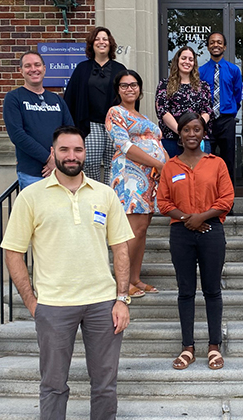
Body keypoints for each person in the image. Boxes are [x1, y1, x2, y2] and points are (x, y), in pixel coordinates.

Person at [1, 126, 134, 420]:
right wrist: (32, 302)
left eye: (78, 150)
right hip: (54, 305)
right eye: (64, 150)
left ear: (85, 153)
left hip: (102, 304)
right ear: (53, 153)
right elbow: (13, 251)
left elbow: (121, 249)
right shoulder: (31, 197)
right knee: (53, 385)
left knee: (105, 386)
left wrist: (121, 299)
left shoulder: (105, 194)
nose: (71, 156)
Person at [157, 112, 234, 371]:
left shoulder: (217, 164)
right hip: (181, 233)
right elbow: (163, 201)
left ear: (204, 133)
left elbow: (226, 199)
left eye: (197, 129)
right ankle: (187, 347)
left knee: (212, 290)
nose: (192, 134)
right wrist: (187, 219)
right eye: (187, 129)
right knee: (185, 291)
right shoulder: (170, 166)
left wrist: (201, 218)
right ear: (179, 134)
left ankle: (214, 346)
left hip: (211, 231)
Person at [106, 70, 167, 298]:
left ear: (140, 89)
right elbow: (125, 146)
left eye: (133, 85)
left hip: (150, 178)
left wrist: (167, 166)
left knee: (142, 230)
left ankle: (135, 278)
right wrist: (158, 164)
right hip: (130, 177)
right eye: (124, 85)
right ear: (118, 90)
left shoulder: (143, 118)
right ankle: (121, 283)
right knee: (132, 231)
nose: (129, 89)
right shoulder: (115, 113)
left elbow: (156, 144)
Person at [64, 26, 128, 183]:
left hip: (113, 124)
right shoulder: (82, 69)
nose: (101, 42)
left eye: (105, 39)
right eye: (97, 39)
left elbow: (129, 97)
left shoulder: (120, 70)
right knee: (90, 163)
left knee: (113, 165)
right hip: (90, 124)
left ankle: (109, 197)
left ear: (110, 43)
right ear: (92, 44)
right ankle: (93, 195)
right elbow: (70, 98)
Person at [4, 50, 75, 189]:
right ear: (21, 71)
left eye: (37, 65)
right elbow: (17, 135)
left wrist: (58, 160)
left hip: (61, 171)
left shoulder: (56, 99)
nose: (33, 69)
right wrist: (48, 159)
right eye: (28, 66)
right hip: (32, 174)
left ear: (44, 68)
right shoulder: (13, 98)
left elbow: (70, 132)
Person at [199, 32, 243, 182]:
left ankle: (228, 202)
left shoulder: (234, 70)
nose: (215, 45)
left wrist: (230, 112)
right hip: (206, 122)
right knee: (205, 159)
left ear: (224, 46)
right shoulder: (201, 71)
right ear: (208, 46)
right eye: (212, 42)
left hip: (226, 120)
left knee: (228, 161)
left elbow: (237, 95)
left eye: (219, 42)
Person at [155, 46, 213, 158]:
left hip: (198, 141)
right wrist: (182, 132)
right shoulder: (164, 85)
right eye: (184, 58)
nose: (187, 62)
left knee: (201, 174)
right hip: (172, 140)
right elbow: (162, 111)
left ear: (194, 64)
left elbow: (207, 111)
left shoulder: (203, 86)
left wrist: (195, 131)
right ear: (177, 60)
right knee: (174, 175)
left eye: (190, 60)